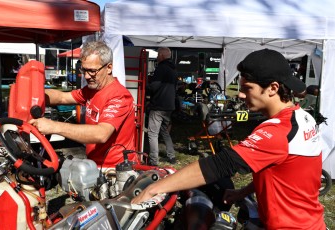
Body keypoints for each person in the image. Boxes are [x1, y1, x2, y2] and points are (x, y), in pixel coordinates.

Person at [132, 49, 326, 229]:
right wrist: (243, 192)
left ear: (273, 88)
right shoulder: (302, 117)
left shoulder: (278, 132)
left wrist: (154, 189)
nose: (240, 95)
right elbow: (283, 173)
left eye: (247, 88)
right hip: (308, 221)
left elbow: (219, 165)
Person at [29, 41, 139, 168]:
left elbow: (101, 134)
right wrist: (32, 93)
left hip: (116, 169)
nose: (86, 76)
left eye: (92, 71)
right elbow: (63, 97)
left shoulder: (119, 96)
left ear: (109, 68)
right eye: (84, 69)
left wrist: (54, 126)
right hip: (94, 164)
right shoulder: (92, 90)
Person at [147, 47, 177, 165]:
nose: (157, 57)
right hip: (169, 106)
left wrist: (145, 86)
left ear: (162, 56)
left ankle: (154, 160)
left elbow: (154, 86)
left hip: (159, 105)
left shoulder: (161, 68)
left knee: (152, 133)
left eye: (158, 55)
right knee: (164, 131)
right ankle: (172, 156)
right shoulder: (173, 68)